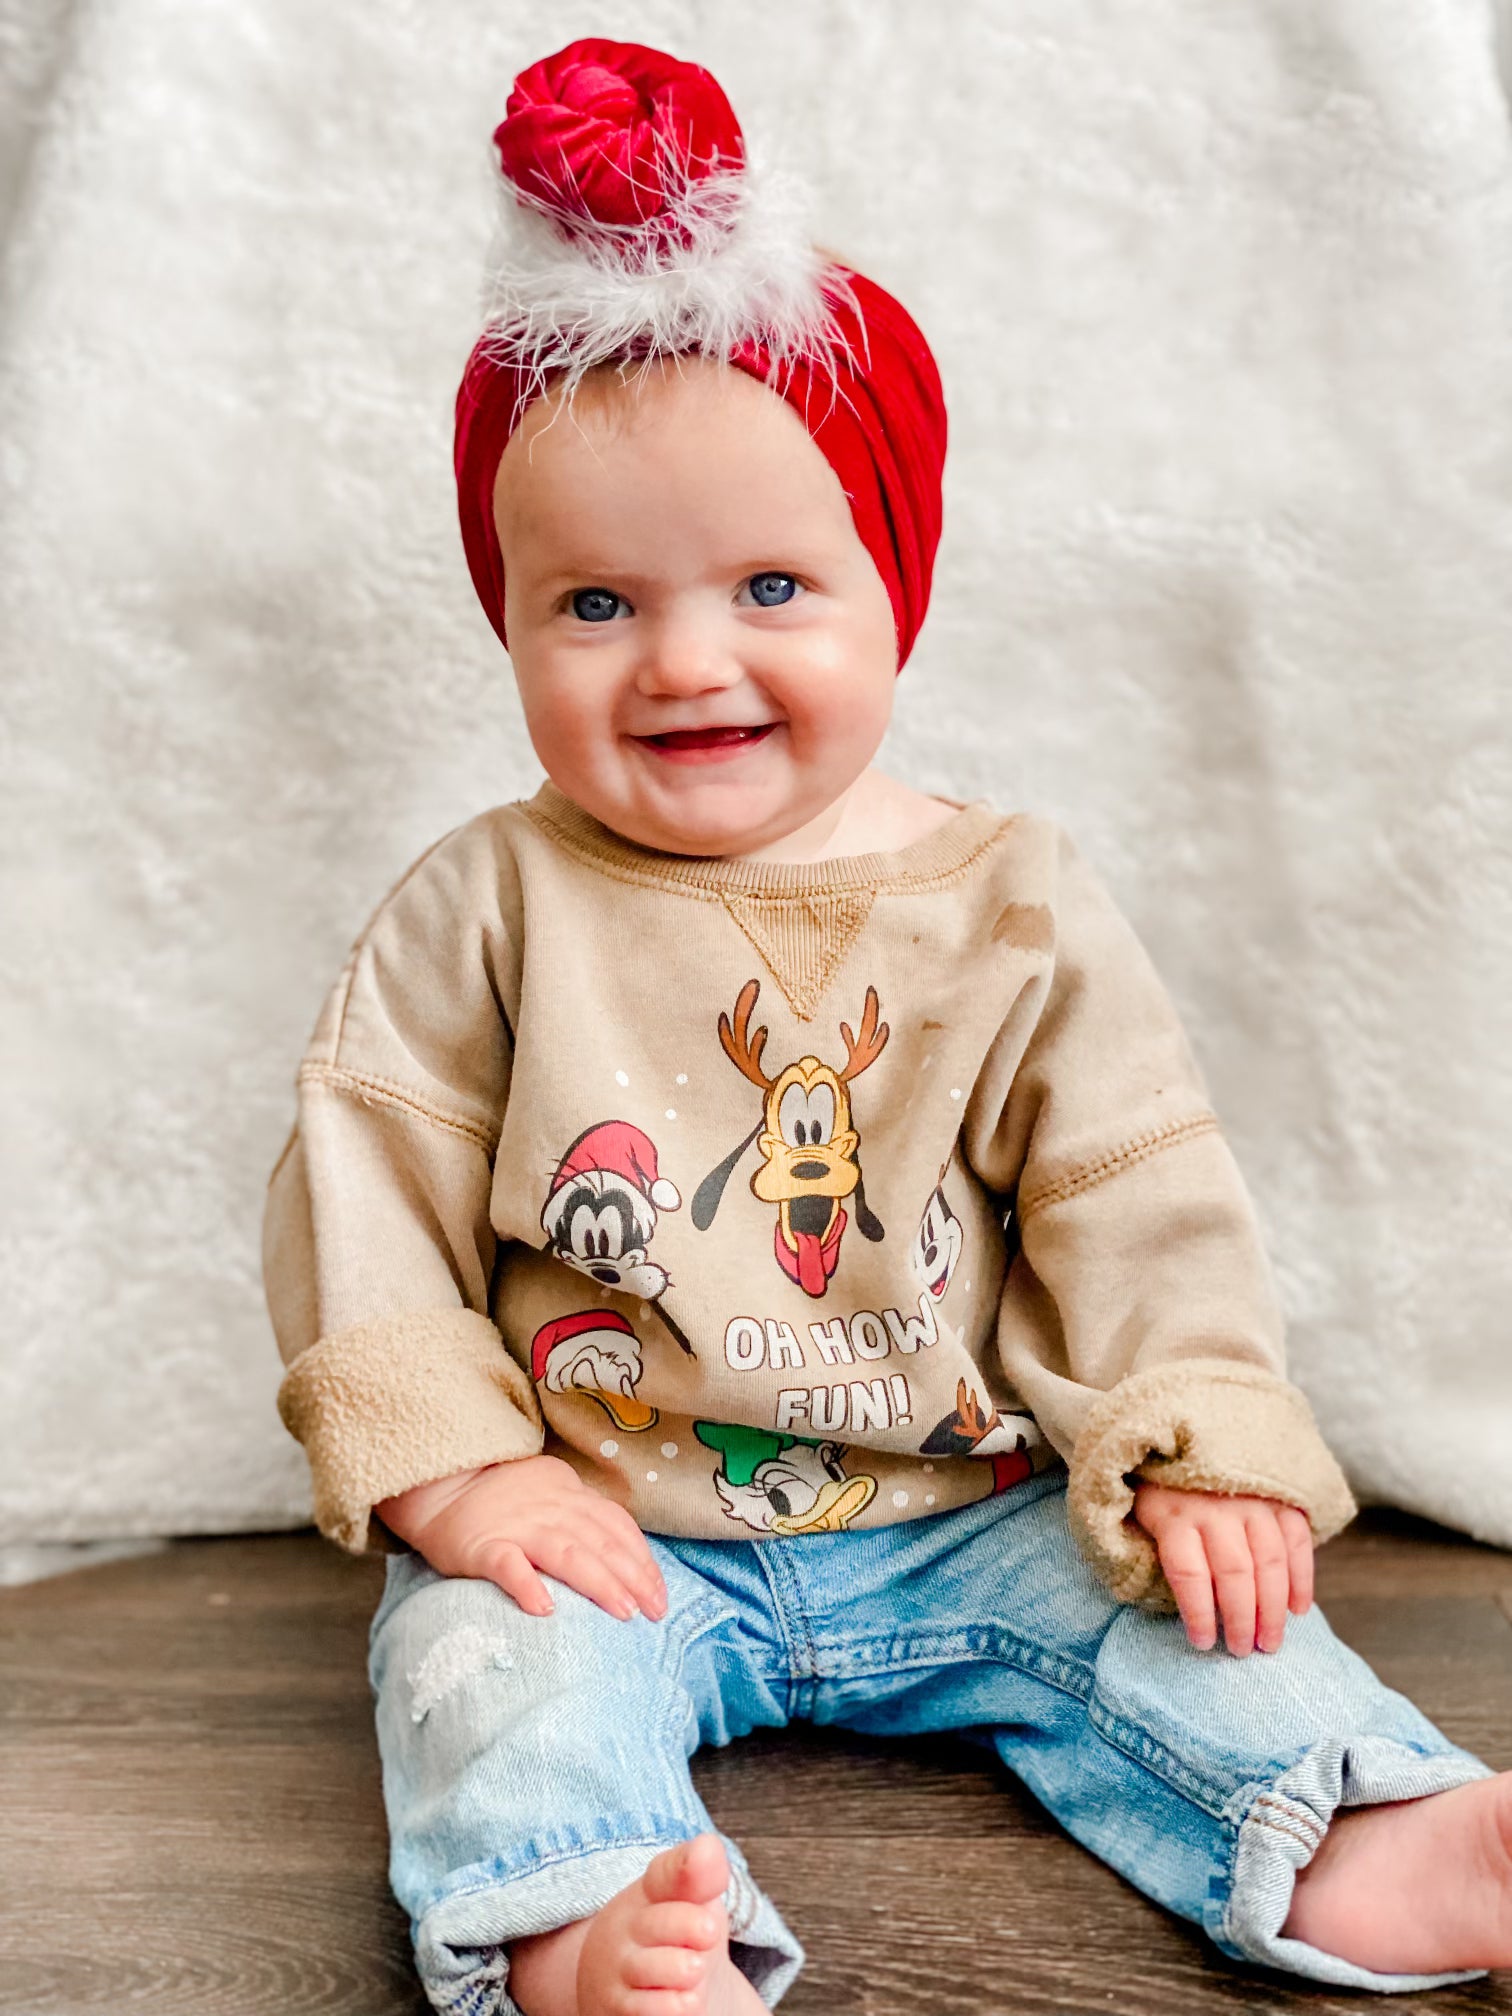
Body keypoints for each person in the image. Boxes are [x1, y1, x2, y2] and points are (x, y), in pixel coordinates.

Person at [262, 37, 1511, 2016]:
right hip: (612, 1518)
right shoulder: (485, 906)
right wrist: (466, 1483)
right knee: (483, 1666)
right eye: (594, 605)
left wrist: (1199, 1445)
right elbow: (368, 1200)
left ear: (891, 582)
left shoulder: (1007, 899)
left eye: (772, 583)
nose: (685, 661)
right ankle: (576, 1917)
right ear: (508, 612)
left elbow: (1135, 1191)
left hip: (971, 1511)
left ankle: (1369, 1827)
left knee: (1198, 1623)